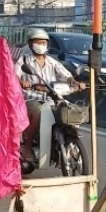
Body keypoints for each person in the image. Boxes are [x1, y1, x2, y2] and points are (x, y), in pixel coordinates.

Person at [14, 28, 84, 164]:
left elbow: (66, 75)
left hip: (52, 97)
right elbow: (13, 77)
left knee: (68, 110)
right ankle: (28, 147)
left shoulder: (52, 62)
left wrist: (75, 83)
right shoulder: (23, 61)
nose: (41, 45)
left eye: (43, 42)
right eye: (37, 42)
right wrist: (22, 82)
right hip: (32, 98)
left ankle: (65, 141)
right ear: (30, 44)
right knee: (39, 113)